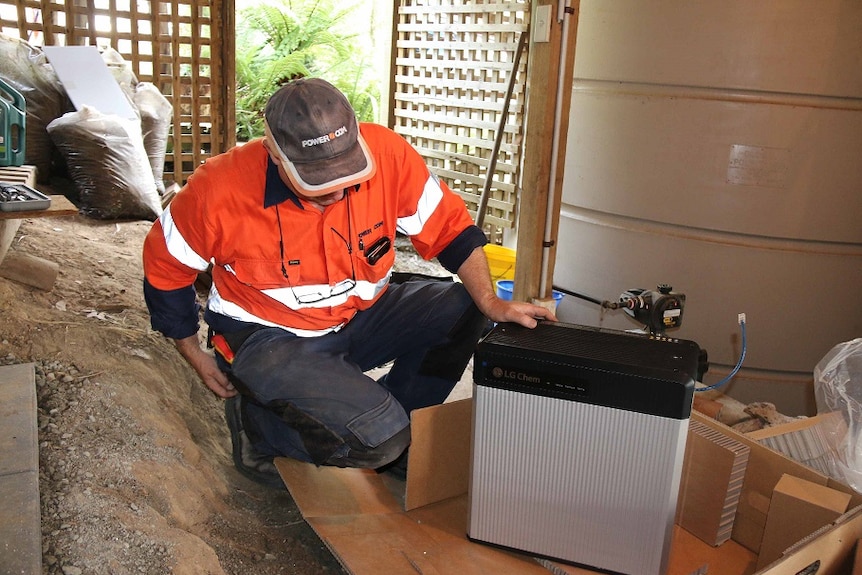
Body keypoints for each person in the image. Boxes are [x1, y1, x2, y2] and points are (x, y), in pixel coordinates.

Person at [142, 78, 556, 488]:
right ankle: (262, 430)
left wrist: (491, 302)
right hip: (270, 340)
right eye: (317, 182)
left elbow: (450, 230)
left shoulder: (389, 153)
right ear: (274, 154)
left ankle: (396, 424)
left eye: (347, 175)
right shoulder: (217, 189)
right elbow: (165, 269)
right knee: (379, 441)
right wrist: (192, 352)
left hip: (357, 319)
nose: (337, 194)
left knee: (465, 308)